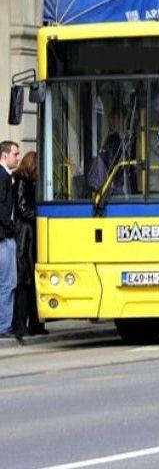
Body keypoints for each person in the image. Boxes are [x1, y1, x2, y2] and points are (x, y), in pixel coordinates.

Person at [13, 151, 47, 336]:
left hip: (31, 235)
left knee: (33, 282)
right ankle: (21, 325)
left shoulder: (31, 183)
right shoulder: (21, 183)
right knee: (24, 282)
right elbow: (23, 208)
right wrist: (39, 216)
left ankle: (36, 324)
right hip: (25, 237)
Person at [0, 141, 20, 338]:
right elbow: (3, 208)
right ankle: (4, 326)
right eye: (15, 153)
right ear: (5, 155)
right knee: (7, 283)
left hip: (5, 236)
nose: (18, 157)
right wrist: (11, 228)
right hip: (5, 238)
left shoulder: (7, 177)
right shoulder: (3, 176)